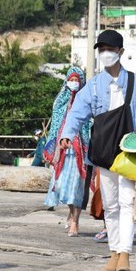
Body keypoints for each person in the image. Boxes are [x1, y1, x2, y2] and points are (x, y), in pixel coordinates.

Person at [59, 30, 136, 271]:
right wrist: (66, 135)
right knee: (110, 205)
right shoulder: (93, 86)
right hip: (103, 150)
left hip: (129, 150)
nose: (105, 53)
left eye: (110, 49)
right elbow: (78, 112)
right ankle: (114, 252)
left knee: (126, 202)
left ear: (121, 52)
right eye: (101, 49)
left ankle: (125, 254)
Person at [43, 67, 91, 237]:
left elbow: (89, 124)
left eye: (77, 80)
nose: (74, 83)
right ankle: (71, 213)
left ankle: (75, 222)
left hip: (80, 151)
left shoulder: (86, 101)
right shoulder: (60, 102)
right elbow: (55, 124)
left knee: (76, 188)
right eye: (72, 80)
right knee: (63, 186)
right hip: (62, 152)